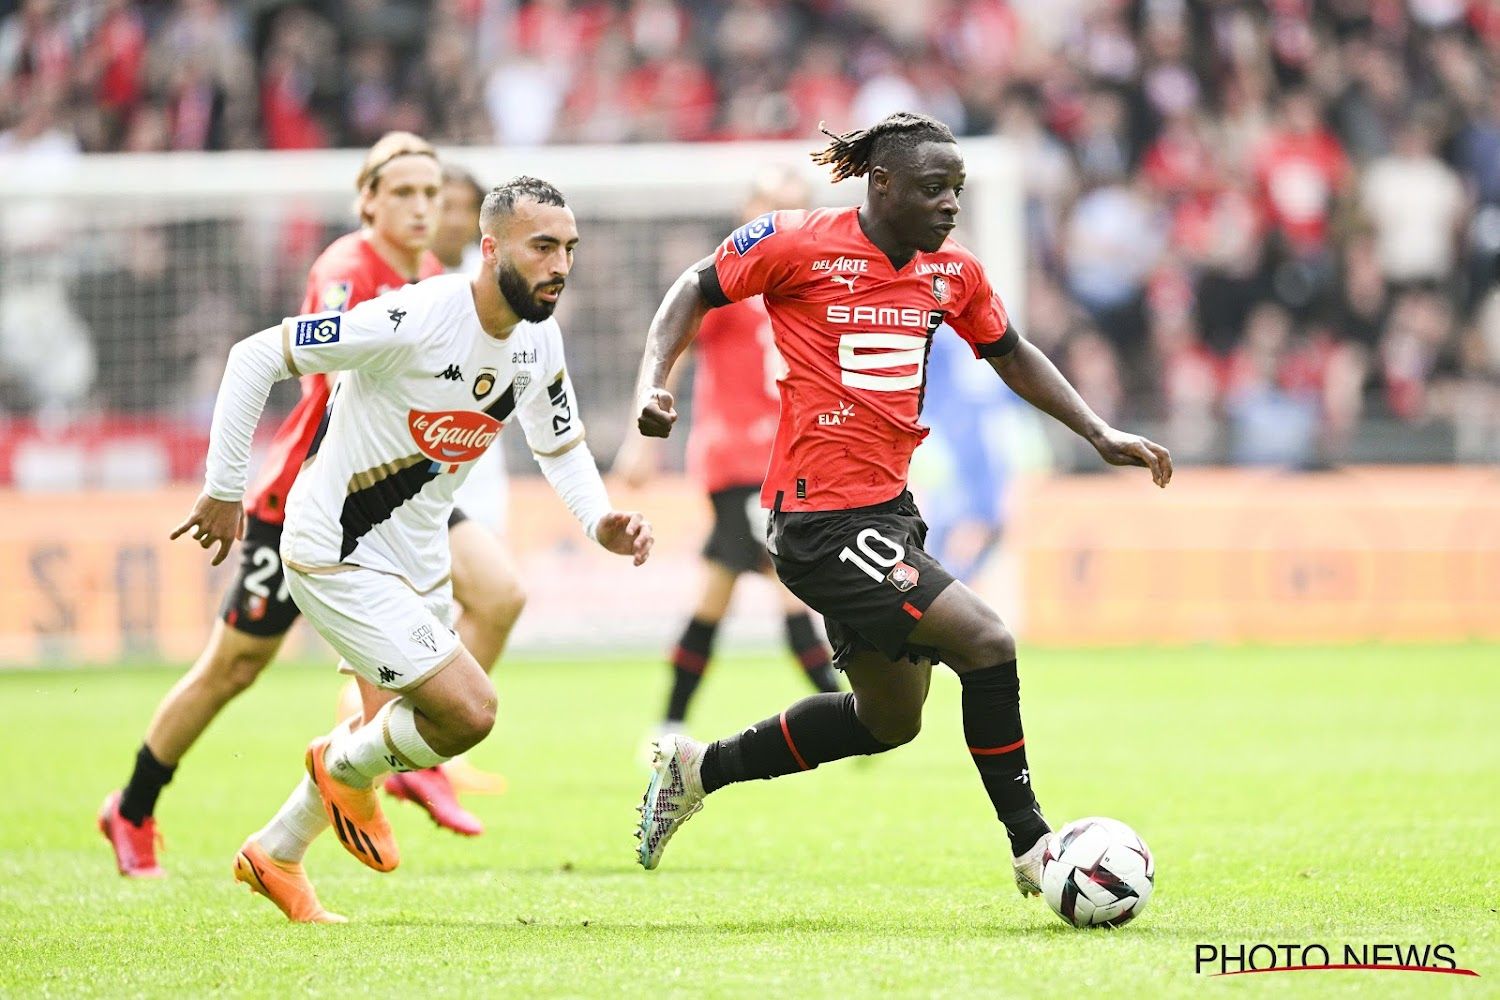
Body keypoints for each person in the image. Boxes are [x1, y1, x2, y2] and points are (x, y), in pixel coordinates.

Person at [631, 113, 1172, 897]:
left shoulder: (952, 273)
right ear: (881, 183)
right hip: (817, 521)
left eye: (956, 189)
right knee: (986, 641)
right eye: (932, 188)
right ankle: (1034, 848)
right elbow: (694, 287)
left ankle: (698, 769)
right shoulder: (793, 243)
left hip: (886, 514)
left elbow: (1010, 352)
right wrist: (655, 378)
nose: (950, 205)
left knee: (888, 721)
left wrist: (1096, 430)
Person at [173, 175, 653, 922]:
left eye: (569, 249)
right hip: (335, 551)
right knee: (470, 713)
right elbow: (252, 357)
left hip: (419, 560)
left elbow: (559, 447)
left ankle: (276, 852)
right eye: (543, 247)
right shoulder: (415, 316)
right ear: (491, 248)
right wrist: (224, 487)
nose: (560, 265)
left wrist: (600, 521)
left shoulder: (538, 339)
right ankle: (338, 769)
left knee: (407, 726)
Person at [97, 133, 521, 878]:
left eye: (433, 194)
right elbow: (323, 385)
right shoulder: (345, 271)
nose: (424, 209)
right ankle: (132, 806)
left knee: (499, 592)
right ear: (367, 201)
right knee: (233, 667)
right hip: (310, 494)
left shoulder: (428, 277)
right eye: (407, 194)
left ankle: (402, 764)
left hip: (395, 493)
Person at [614, 167, 839, 748]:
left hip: (786, 459)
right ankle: (846, 707)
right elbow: (678, 341)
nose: (782, 217)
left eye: (795, 207)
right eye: (772, 205)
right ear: (749, 208)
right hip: (738, 460)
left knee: (723, 588)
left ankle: (669, 724)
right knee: (790, 580)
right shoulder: (728, 277)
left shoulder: (810, 282)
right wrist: (643, 440)